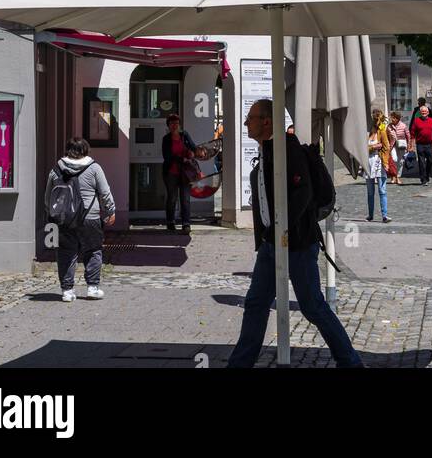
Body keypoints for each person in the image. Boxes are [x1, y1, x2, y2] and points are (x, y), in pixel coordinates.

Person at [227, 100, 364, 369]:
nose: (246, 123)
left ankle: (350, 361)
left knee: (312, 306)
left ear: (267, 121)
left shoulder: (288, 150)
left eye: (251, 118)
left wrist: (282, 227)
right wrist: (269, 235)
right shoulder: (268, 150)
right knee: (256, 304)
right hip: (271, 244)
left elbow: (304, 194)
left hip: (297, 243)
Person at [45, 136, 116, 302]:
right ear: (86, 150)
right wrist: (110, 210)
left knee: (65, 252)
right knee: (93, 250)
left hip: (64, 218)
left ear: (67, 150)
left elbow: (48, 196)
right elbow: (105, 192)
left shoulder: (56, 169)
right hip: (89, 217)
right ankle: (92, 287)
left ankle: (67, 291)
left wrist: (51, 214)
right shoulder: (94, 168)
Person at [161, 113, 198, 233]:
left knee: (185, 199)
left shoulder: (184, 135)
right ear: (168, 125)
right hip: (171, 172)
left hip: (185, 173)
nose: (174, 125)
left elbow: (193, 147)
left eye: (176, 123)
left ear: (179, 124)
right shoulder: (166, 139)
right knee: (172, 198)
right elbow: (167, 156)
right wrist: (181, 159)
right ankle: (170, 222)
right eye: (172, 123)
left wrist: (195, 152)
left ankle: (186, 224)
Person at [366, 108, 391, 223]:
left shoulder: (382, 131)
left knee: (382, 190)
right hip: (368, 162)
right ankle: (370, 215)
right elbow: (363, 148)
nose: (376, 122)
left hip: (379, 162)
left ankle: (384, 215)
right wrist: (373, 147)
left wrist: (385, 163)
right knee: (370, 191)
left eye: (377, 119)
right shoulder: (368, 132)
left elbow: (386, 147)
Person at [409, 103, 432, 184]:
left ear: (428, 112)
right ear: (420, 113)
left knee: (431, 161)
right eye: (422, 112)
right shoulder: (416, 120)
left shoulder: (431, 121)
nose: (424, 113)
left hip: (429, 144)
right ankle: (423, 179)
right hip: (420, 145)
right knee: (422, 163)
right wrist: (411, 145)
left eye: (425, 112)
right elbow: (412, 133)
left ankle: (427, 175)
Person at [388, 110, 410, 183]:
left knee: (400, 162)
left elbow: (408, 136)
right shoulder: (389, 126)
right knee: (394, 160)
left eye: (394, 118)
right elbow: (386, 136)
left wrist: (409, 146)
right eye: (392, 118)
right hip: (392, 146)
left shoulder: (403, 126)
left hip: (401, 145)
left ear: (398, 118)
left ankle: (398, 177)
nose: (392, 119)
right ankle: (393, 176)